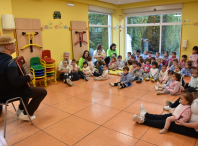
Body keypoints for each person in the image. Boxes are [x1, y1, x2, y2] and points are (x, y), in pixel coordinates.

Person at [0, 35, 47, 121]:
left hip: (1, 93)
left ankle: (21, 109)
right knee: (42, 92)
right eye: (12, 43)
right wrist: (27, 77)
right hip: (7, 94)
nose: (14, 45)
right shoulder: (10, 63)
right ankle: (27, 114)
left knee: (27, 85)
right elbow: (15, 81)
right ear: (7, 46)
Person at [133, 97, 198, 138]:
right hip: (185, 118)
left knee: (167, 122)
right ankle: (146, 115)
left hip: (193, 128)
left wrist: (183, 124)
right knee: (167, 116)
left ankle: (143, 121)